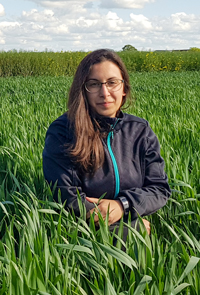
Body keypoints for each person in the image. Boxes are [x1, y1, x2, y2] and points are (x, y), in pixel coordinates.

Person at [43, 49, 171, 238]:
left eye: (112, 83)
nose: (105, 92)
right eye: (94, 84)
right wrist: (131, 228)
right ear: (83, 90)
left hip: (132, 220)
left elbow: (159, 189)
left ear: (124, 87)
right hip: (83, 235)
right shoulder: (63, 132)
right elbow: (68, 198)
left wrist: (123, 205)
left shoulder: (140, 130)